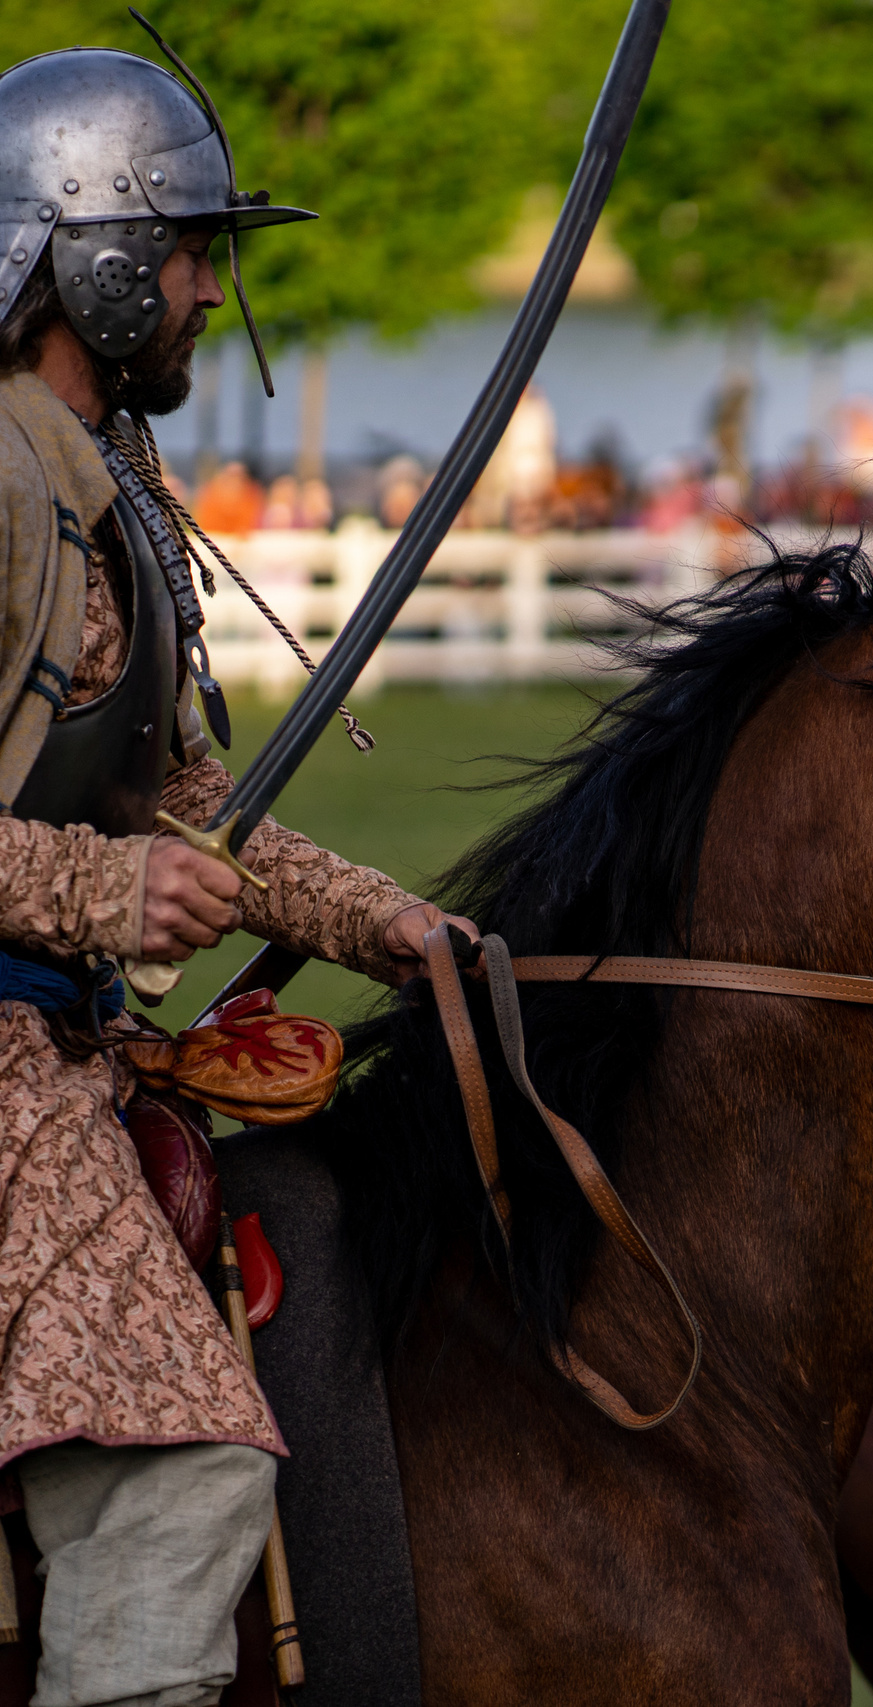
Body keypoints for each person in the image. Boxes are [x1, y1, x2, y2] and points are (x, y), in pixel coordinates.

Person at [0, 41, 474, 1705]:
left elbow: (193, 800)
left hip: (57, 1059)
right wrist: (98, 897)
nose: (211, 286)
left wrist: (390, 924)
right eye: (189, 248)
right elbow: (119, 860)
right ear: (90, 259)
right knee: (179, 1479)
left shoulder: (100, 475)